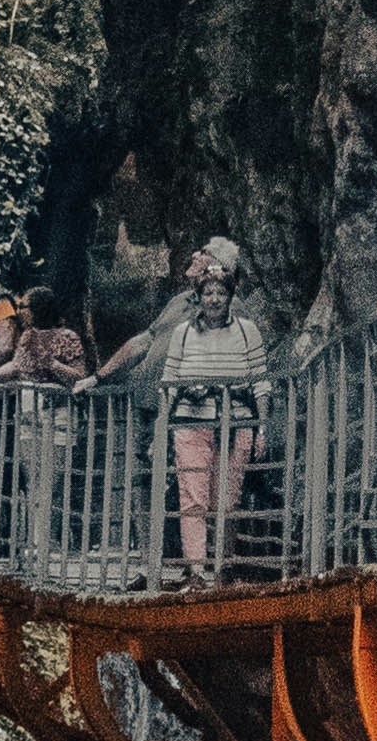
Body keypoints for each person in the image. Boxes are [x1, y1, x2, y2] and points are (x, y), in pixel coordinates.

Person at [100, 237, 266, 573]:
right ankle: (152, 565)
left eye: (203, 252)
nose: (194, 255)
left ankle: (218, 566)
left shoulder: (237, 314)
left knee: (214, 491)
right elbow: (145, 340)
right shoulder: (179, 302)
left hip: (205, 414)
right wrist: (101, 375)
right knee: (148, 481)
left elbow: (248, 368)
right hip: (154, 405)